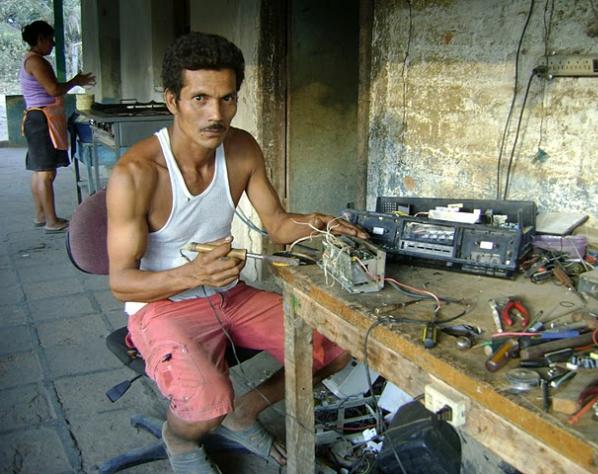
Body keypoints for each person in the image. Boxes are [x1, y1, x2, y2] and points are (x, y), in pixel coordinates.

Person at [106, 32, 368, 473]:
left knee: (335, 346)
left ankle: (244, 413)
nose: (216, 115)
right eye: (200, 99)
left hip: (228, 295)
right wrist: (194, 275)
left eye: (227, 99)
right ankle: (180, 439)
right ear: (172, 100)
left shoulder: (242, 148)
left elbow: (278, 226)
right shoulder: (136, 173)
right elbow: (120, 283)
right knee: (206, 406)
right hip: (161, 305)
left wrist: (320, 223)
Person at [20, 20, 95, 232]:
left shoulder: (31, 59)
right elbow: (53, 90)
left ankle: (41, 215)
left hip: (36, 117)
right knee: (46, 173)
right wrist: (75, 81)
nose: (53, 44)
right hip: (41, 119)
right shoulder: (36, 61)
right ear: (41, 38)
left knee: (40, 171)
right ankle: (51, 221)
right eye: (50, 39)